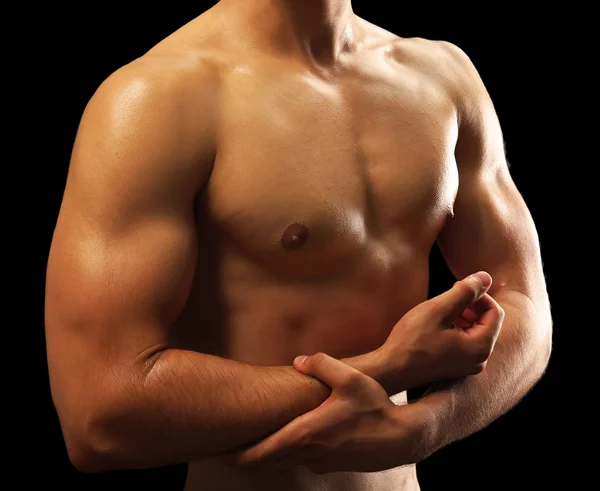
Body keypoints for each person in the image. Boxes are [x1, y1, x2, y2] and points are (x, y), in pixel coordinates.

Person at [44, 0, 552, 490]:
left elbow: (526, 306)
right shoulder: (159, 97)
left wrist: (429, 427)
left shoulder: (441, 76)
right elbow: (99, 415)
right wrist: (388, 367)